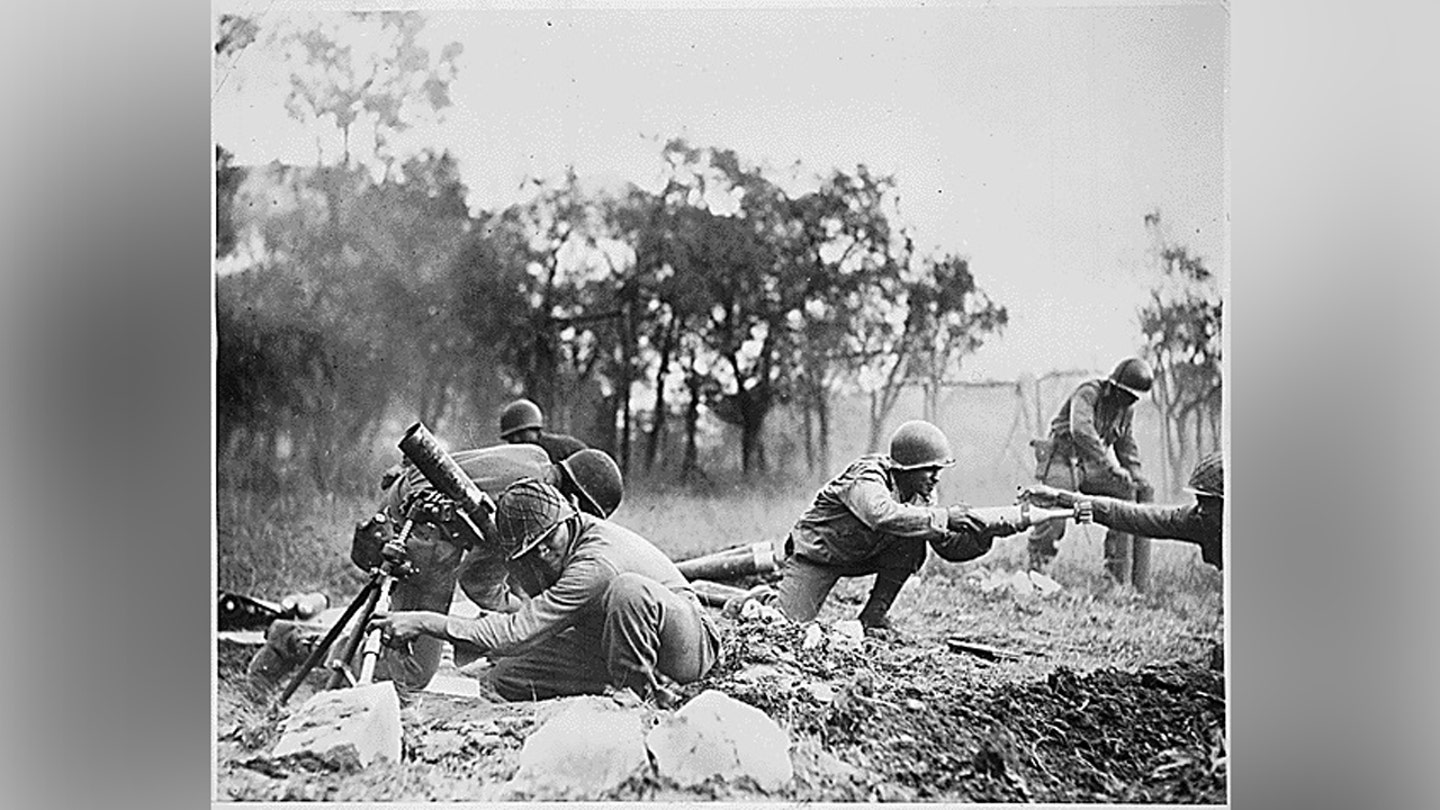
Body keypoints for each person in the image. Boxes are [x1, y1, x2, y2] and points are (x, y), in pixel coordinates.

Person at [245, 444, 624, 694]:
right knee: (412, 671)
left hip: (412, 506)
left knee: (396, 644)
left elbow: (449, 463)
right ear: (573, 500)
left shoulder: (532, 455)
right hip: (424, 534)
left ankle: (296, 642)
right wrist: (520, 613)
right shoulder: (527, 507)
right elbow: (477, 581)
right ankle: (294, 643)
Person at [368, 478, 720, 708]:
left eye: (548, 541)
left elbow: (517, 633)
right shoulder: (544, 550)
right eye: (530, 551)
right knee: (505, 679)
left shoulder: (596, 561)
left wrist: (425, 621)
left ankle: (640, 700)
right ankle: (620, 686)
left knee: (627, 591)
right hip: (609, 641)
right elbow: (484, 585)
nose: (544, 554)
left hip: (684, 643)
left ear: (569, 516)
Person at [771, 420, 1035, 635]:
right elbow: (880, 515)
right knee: (782, 625)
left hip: (861, 555)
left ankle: (874, 617)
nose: (935, 477)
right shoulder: (867, 476)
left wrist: (985, 534)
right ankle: (752, 600)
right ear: (905, 469)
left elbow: (947, 548)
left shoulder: (923, 495)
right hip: (819, 556)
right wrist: (944, 518)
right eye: (929, 469)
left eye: (938, 470)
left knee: (915, 537)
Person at [1026, 357, 1156, 582]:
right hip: (1061, 459)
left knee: (1127, 495)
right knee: (1054, 511)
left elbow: (1126, 444)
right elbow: (1081, 431)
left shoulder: (1126, 410)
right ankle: (1037, 571)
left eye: (1133, 398)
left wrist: (1136, 475)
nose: (1128, 401)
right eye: (1126, 395)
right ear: (1113, 386)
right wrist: (1111, 467)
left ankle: (1117, 577)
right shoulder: (1088, 393)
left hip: (1091, 465)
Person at [1024, 451, 1225, 570]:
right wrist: (1061, 497)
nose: (1201, 510)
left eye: (1209, 503)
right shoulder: (1197, 520)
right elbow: (1125, 514)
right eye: (1199, 501)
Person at [499, 398, 588, 464]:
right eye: (510, 437)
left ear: (535, 429)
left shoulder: (565, 448)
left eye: (520, 433)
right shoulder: (511, 459)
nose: (516, 440)